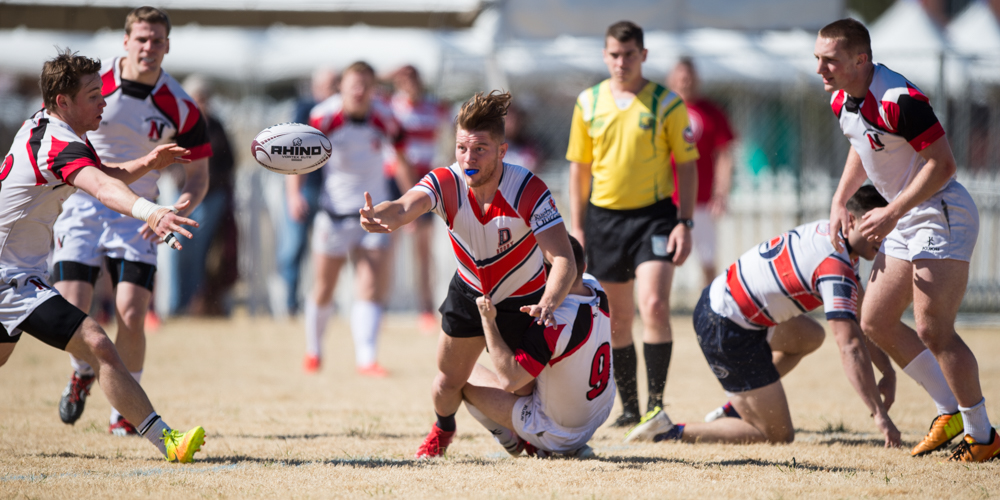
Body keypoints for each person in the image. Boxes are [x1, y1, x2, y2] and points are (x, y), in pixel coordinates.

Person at [0, 50, 203, 462]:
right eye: (94, 95)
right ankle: (168, 441)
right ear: (64, 101)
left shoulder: (50, 129)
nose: (104, 102)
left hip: (15, 273)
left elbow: (100, 172)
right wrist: (152, 210)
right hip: (9, 278)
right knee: (98, 342)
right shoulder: (57, 143)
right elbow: (102, 189)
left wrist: (146, 162)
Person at [359, 90, 576, 458]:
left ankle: (513, 431)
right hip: (469, 292)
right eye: (461, 148)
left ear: (502, 152)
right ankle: (444, 429)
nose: (468, 158)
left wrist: (549, 302)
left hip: (523, 301)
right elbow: (403, 207)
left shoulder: (528, 189)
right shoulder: (447, 181)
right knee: (446, 383)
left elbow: (565, 259)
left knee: (522, 393)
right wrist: (383, 216)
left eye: (479, 149)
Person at [817, 18, 996, 462]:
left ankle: (984, 435)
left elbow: (944, 166)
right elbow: (863, 146)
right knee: (874, 318)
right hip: (904, 216)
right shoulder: (843, 97)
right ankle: (948, 411)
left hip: (940, 213)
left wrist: (893, 211)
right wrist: (841, 198)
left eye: (830, 60)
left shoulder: (900, 100)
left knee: (933, 330)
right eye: (818, 59)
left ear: (860, 59)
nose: (820, 68)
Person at [624, 186, 901, 446]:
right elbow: (849, 344)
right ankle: (669, 431)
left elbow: (861, 317)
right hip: (725, 325)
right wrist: (879, 414)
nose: (883, 235)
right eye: (875, 224)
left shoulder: (829, 233)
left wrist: (887, 371)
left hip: (729, 306)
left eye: (887, 225)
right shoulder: (835, 265)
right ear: (851, 220)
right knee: (778, 435)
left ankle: (739, 405)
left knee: (811, 336)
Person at [53, 6, 212, 436]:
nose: (149, 47)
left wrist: (178, 208)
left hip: (139, 214)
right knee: (71, 305)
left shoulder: (180, 105)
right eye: (141, 39)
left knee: (131, 312)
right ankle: (82, 370)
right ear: (125, 42)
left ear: (167, 45)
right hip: (82, 203)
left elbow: (198, 176)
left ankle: (123, 411)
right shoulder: (92, 82)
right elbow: (53, 132)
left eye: (157, 40)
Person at [566, 21, 699, 427]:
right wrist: (579, 226)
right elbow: (579, 169)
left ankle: (656, 406)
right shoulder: (587, 103)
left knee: (655, 305)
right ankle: (629, 408)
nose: (620, 62)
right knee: (618, 319)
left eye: (628, 54)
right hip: (604, 220)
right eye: (613, 54)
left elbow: (687, 166)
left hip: (654, 217)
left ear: (643, 55)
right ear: (605, 56)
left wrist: (685, 222)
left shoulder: (667, 104)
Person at [294, 61, 413, 376]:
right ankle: (314, 351)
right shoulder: (323, 116)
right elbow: (298, 159)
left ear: (374, 90)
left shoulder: (385, 118)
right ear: (342, 88)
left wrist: (410, 204)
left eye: (365, 86)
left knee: (370, 284)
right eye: (352, 85)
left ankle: (366, 358)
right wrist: (294, 195)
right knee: (324, 285)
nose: (358, 92)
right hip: (333, 214)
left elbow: (401, 161)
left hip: (372, 215)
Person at [462, 236, 613, 458]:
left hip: (558, 432)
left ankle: (517, 441)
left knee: (463, 373)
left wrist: (488, 321)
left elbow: (511, 380)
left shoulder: (552, 323)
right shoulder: (595, 287)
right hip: (599, 412)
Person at [384, 65, 450, 332]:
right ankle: (381, 305)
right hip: (394, 179)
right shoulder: (390, 106)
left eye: (412, 77)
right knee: (386, 247)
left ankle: (424, 307)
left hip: (424, 181)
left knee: (423, 249)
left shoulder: (435, 107)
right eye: (402, 78)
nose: (408, 83)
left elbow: (453, 130)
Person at [170, 74, 237, 316]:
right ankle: (178, 303)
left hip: (211, 197)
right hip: (185, 196)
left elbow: (229, 161)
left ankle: (192, 305)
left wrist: (209, 179)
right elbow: (168, 159)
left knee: (200, 251)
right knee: (179, 249)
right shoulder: (178, 126)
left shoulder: (216, 125)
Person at [667, 57, 736, 287]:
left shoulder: (711, 112)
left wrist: (721, 193)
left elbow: (724, 155)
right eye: (681, 78)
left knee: (707, 259)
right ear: (672, 80)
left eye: (689, 78)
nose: (685, 83)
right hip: (668, 200)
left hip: (702, 199)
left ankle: (711, 308)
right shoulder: (663, 112)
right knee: (664, 260)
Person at [278, 68, 339, 316]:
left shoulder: (341, 113)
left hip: (332, 192)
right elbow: (292, 153)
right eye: (330, 84)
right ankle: (290, 303)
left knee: (328, 250)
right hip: (307, 189)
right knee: (294, 247)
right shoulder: (305, 110)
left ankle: (322, 303)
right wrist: (294, 194)